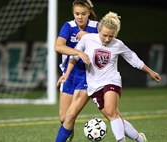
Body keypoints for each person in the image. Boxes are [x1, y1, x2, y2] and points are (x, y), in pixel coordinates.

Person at [57, 11, 161, 142]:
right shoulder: (87, 39)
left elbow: (133, 59)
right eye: (104, 35)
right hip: (94, 86)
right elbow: (74, 56)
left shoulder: (118, 44)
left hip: (111, 81)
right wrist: (66, 74)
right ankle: (140, 139)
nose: (107, 39)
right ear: (99, 30)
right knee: (114, 116)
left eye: (110, 36)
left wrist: (150, 71)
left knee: (111, 111)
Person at [54, 0, 98, 141]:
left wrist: (88, 37)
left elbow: (107, 43)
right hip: (70, 72)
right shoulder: (69, 26)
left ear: (89, 13)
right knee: (63, 118)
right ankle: (68, 129)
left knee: (70, 115)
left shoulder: (96, 27)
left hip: (87, 75)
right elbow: (58, 46)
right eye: (77, 14)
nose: (80, 17)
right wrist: (78, 52)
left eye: (83, 14)